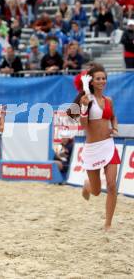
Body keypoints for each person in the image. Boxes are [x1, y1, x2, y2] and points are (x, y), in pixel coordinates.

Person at [68, 64, 120, 231]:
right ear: (91, 81)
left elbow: (113, 117)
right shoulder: (86, 100)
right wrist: (83, 107)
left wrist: (115, 127)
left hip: (109, 146)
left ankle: (108, 224)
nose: (102, 81)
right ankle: (87, 185)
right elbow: (84, 124)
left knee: (112, 185)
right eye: (98, 78)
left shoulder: (109, 100)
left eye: (104, 78)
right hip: (92, 149)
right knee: (96, 191)